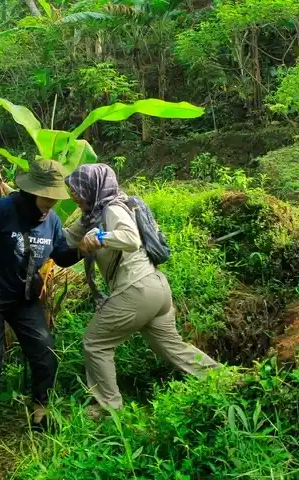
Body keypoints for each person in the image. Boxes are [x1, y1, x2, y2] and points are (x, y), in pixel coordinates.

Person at [63, 163, 219, 418]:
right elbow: (67, 238)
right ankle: (223, 377)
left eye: (78, 190)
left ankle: (109, 409)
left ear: (93, 188)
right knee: (171, 347)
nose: (75, 196)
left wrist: (99, 238)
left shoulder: (112, 208)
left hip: (136, 289)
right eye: (72, 192)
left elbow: (131, 239)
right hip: (156, 288)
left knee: (95, 343)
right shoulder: (94, 215)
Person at [0, 159, 80, 470]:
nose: (51, 203)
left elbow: (61, 255)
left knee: (44, 350)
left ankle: (39, 414)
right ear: (30, 190)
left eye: (55, 198)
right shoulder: (1, 211)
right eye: (47, 196)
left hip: (24, 297)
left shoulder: (51, 220)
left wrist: (84, 248)